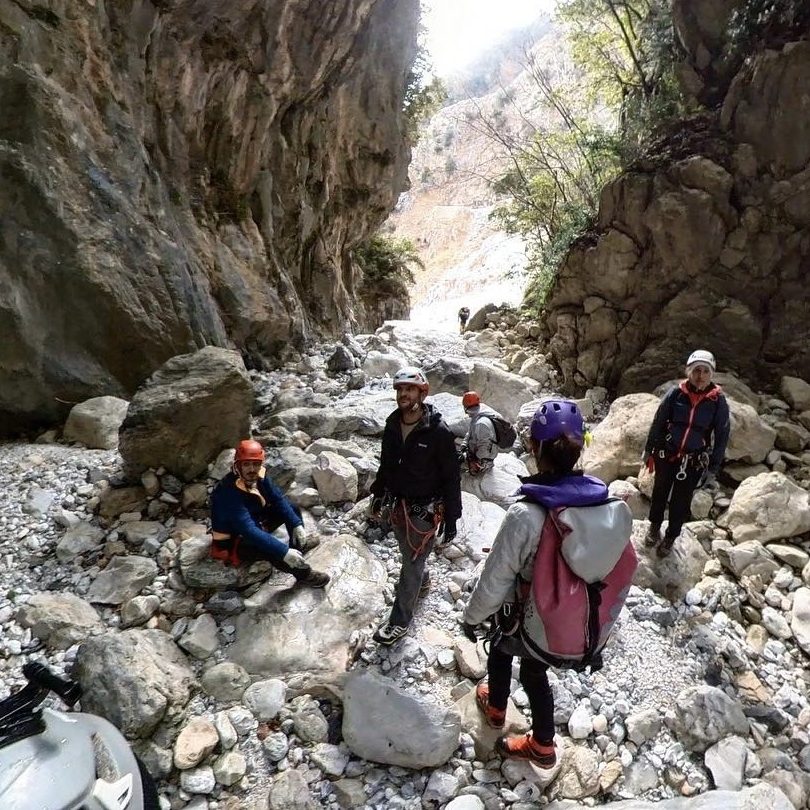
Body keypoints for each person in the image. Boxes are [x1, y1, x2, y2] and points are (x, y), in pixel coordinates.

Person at [461, 399, 620, 767]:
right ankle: (543, 745)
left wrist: (472, 618)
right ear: (581, 448)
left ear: (534, 447)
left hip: (525, 614)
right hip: (569, 617)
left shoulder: (526, 514)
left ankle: (496, 709)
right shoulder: (603, 503)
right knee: (535, 673)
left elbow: (497, 577)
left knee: (500, 648)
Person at [368, 366, 462, 644]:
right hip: (398, 503)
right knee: (408, 554)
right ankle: (423, 579)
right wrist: (378, 493)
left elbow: (451, 477)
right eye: (400, 389)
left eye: (409, 389)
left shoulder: (438, 432)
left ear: (422, 393)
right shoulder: (392, 425)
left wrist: (452, 517)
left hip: (424, 509)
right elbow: (386, 464)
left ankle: (399, 622)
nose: (403, 394)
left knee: (411, 563)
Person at [642, 349, 730, 558]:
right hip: (667, 454)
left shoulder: (717, 401)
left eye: (705, 371)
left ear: (711, 374)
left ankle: (671, 536)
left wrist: (713, 468)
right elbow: (659, 421)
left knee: (681, 501)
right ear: (688, 371)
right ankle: (654, 527)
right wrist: (649, 449)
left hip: (693, 460)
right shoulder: (676, 393)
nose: (700, 376)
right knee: (659, 492)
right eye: (696, 370)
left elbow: (722, 435)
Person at [209, 439, 330, 588]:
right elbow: (249, 530)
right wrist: (283, 551)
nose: (252, 469)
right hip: (236, 539)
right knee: (269, 550)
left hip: (256, 520)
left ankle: (298, 546)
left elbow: (278, 499)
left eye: (256, 464)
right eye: (246, 464)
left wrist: (296, 524)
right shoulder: (227, 493)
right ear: (237, 465)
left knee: (292, 508)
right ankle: (304, 574)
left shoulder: (260, 475)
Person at [459, 391, 500, 476]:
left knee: (452, 462)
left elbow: (484, 447)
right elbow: (469, 433)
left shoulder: (481, 424)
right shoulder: (476, 418)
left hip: (482, 461)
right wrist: (464, 445)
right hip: (476, 454)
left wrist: (475, 460)